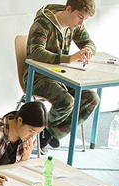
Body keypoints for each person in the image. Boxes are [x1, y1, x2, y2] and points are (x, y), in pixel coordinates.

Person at [25, 0, 99, 150]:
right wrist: (69, 59)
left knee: (92, 98)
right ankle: (43, 132)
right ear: (69, 9)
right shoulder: (43, 23)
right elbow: (37, 53)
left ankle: (49, 133)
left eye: (85, 19)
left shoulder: (75, 25)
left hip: (61, 76)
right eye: (80, 17)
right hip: (37, 77)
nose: (81, 22)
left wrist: (88, 50)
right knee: (67, 101)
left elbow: (90, 43)